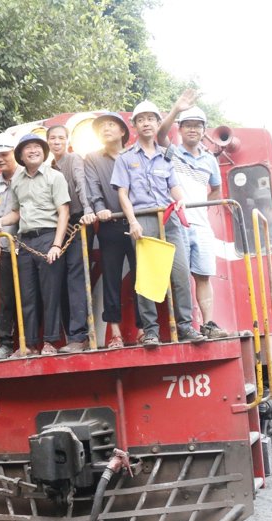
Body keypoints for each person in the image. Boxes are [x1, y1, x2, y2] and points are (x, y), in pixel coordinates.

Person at [112, 100, 206, 345]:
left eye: (151, 119)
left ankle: (186, 326)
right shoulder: (125, 158)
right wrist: (132, 222)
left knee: (181, 273)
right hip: (143, 220)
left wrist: (181, 200)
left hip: (170, 218)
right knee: (147, 278)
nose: (146, 123)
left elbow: (173, 185)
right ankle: (151, 331)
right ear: (134, 126)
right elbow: (122, 192)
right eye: (141, 119)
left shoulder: (167, 155)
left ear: (157, 123)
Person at [0, 134, 71, 355]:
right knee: (27, 295)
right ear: (21, 155)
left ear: (43, 152)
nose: (33, 151)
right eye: (28, 148)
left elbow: (64, 211)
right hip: (25, 242)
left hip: (48, 237)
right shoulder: (17, 181)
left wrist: (56, 244)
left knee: (50, 293)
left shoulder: (55, 177)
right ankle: (29, 344)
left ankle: (50, 342)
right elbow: (16, 212)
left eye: (37, 147)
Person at [157, 91, 227, 339]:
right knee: (180, 276)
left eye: (197, 126)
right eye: (187, 125)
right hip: (178, 223)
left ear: (203, 129)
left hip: (202, 225)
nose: (192, 130)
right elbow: (159, 135)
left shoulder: (210, 160)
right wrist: (176, 108)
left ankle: (208, 324)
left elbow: (217, 188)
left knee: (203, 275)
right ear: (181, 129)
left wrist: (202, 207)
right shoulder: (172, 152)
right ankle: (184, 325)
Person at [85, 112, 141, 348]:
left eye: (111, 125)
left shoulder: (135, 155)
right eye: (101, 127)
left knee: (143, 278)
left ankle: (143, 330)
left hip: (139, 224)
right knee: (111, 279)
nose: (106, 129)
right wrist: (100, 209)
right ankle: (115, 333)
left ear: (122, 131)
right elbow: (94, 189)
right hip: (110, 226)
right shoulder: (92, 158)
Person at [47, 125, 97, 353]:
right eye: (52, 138)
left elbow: (81, 184)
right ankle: (69, 336)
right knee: (61, 278)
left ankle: (80, 337)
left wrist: (87, 210)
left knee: (75, 277)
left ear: (66, 141)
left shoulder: (73, 158)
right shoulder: (49, 167)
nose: (56, 141)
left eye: (60, 138)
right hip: (60, 226)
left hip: (78, 221)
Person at [0, 133, 22, 360]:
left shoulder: (28, 176)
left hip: (31, 245)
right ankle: (5, 344)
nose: (0, 159)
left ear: (15, 154)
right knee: (6, 296)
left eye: (4, 154)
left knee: (31, 296)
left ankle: (32, 342)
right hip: (7, 247)